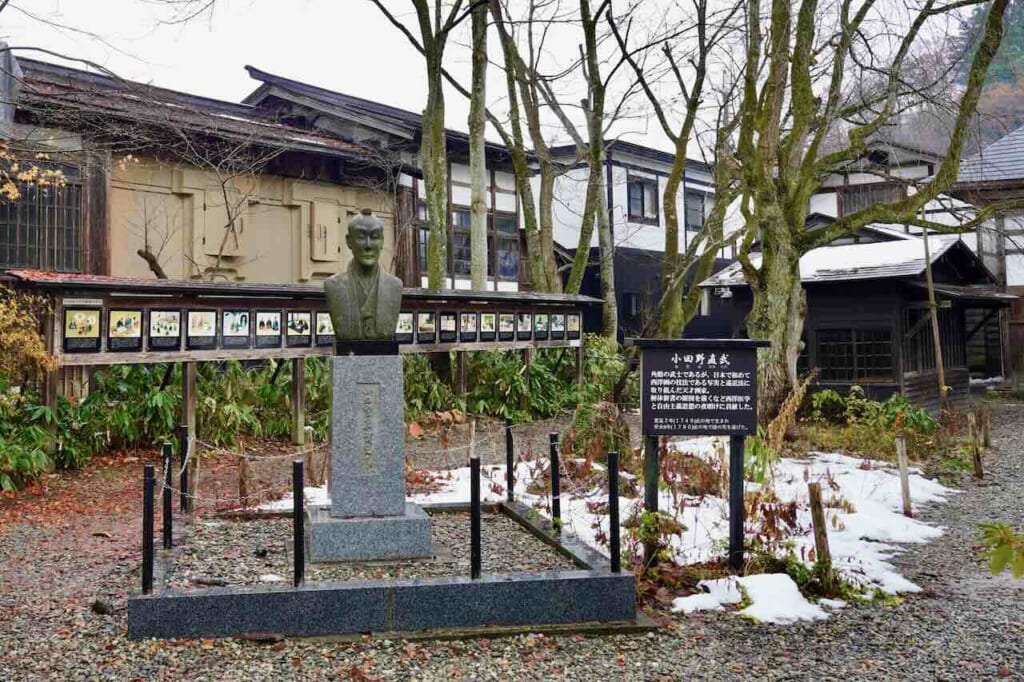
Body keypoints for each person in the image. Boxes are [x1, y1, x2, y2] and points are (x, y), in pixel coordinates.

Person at [323, 209, 402, 341]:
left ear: (382, 242)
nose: (368, 245)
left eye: (375, 237)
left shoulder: (394, 286)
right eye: (360, 237)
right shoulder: (333, 286)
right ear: (349, 241)